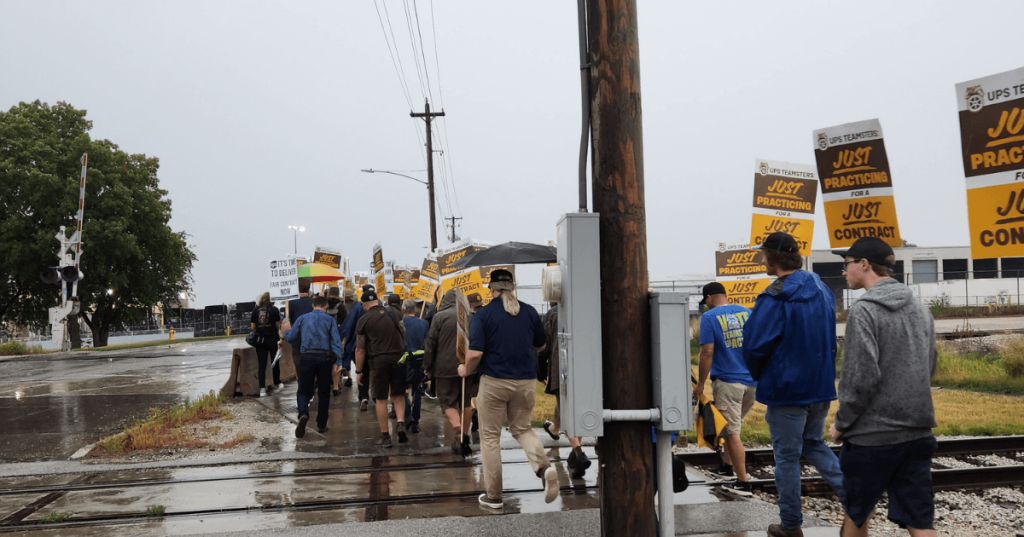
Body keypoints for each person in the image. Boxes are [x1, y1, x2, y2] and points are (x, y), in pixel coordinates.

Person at [828, 238, 938, 537]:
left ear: (863, 264)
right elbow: (930, 366)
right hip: (918, 431)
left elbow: (859, 378)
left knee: (857, 514)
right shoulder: (920, 307)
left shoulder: (864, 310)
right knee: (920, 520)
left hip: (871, 438)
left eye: (846, 263)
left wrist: (841, 424)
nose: (843, 271)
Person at [742, 232, 846, 537]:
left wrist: (761, 374)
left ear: (774, 258)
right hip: (820, 386)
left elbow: (754, 345)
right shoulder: (822, 289)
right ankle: (856, 498)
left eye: (764, 255)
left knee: (786, 458)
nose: (762, 260)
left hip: (786, 390)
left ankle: (790, 525)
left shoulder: (773, 297)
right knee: (814, 443)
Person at [459, 269, 558, 508]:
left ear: (491, 289)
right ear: (512, 287)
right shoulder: (530, 311)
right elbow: (541, 343)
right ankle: (543, 468)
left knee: (490, 438)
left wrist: (465, 369)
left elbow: (475, 353)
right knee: (523, 429)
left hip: (494, 381)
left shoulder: (483, 314)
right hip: (525, 382)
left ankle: (493, 496)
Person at [695, 281, 756, 496]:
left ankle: (743, 483)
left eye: (706, 302)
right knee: (732, 429)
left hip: (728, 382)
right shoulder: (747, 312)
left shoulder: (709, 318)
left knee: (731, 433)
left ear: (710, 297)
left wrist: (701, 384)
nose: (706, 305)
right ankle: (727, 467)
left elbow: (707, 353)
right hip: (751, 382)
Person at [537, 303, 589, 479]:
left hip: (561, 367)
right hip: (585, 366)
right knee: (577, 409)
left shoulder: (552, 314)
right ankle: (574, 455)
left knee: (566, 409)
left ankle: (578, 451)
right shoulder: (585, 307)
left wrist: (540, 366)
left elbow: (545, 344)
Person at [424, 289, 478, 457]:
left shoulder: (439, 317)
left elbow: (431, 342)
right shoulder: (470, 315)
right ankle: (464, 433)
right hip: (468, 366)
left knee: (447, 402)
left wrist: (427, 366)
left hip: (444, 368)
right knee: (466, 401)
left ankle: (458, 431)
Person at [281, 295, 342, 438]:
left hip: (306, 357)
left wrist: (286, 331)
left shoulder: (303, 318)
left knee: (303, 390)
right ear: (325, 306)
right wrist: (339, 361)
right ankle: (321, 424)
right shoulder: (330, 320)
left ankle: (303, 413)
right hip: (324, 357)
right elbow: (336, 342)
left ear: (313, 305)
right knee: (324, 392)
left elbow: (291, 338)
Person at [355, 289, 409, 448]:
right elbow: (403, 332)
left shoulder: (364, 320)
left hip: (378, 361)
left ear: (365, 305)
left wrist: (358, 371)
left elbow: (360, 349)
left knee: (380, 399)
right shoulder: (394, 312)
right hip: (398, 358)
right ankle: (400, 423)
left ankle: (385, 436)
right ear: (377, 301)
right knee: (398, 394)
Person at [339, 285, 374, 411]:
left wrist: (344, 341)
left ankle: (363, 396)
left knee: (362, 371)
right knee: (375, 373)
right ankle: (376, 397)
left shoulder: (358, 307)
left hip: (359, 344)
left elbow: (349, 325)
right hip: (377, 346)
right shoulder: (381, 307)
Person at [401, 299, 430, 434]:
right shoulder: (424, 324)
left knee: (403, 390)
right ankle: (416, 421)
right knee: (417, 390)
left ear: (403, 310)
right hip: (419, 359)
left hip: (404, 359)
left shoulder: (400, 323)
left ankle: (407, 416)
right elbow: (427, 344)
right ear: (416, 310)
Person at [249, 292, 282, 397]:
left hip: (260, 341)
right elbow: (277, 325)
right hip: (273, 340)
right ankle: (277, 383)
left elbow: (253, 326)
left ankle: (262, 389)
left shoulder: (255, 310)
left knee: (261, 365)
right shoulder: (275, 310)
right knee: (275, 363)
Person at [325, 287, 348, 397]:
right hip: (337, 337)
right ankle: (335, 387)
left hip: (324, 337)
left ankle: (326, 383)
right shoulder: (341, 306)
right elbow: (346, 324)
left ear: (329, 293)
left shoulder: (324, 305)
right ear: (338, 294)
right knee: (337, 362)